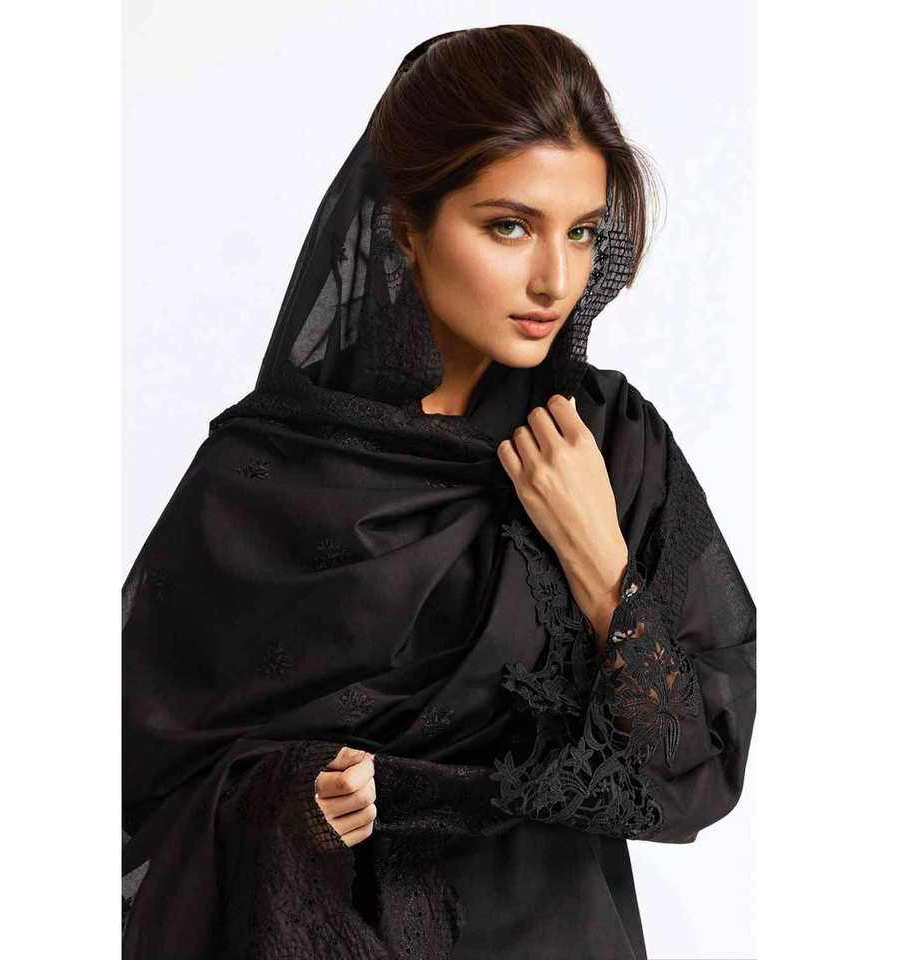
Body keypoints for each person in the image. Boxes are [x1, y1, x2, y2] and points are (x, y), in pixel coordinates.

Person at [122, 25, 756, 960]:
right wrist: (291, 796)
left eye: (581, 232)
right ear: (406, 227)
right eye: (509, 226)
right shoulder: (266, 472)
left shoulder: (611, 446)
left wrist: (597, 560)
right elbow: (140, 780)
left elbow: (696, 772)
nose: (554, 279)